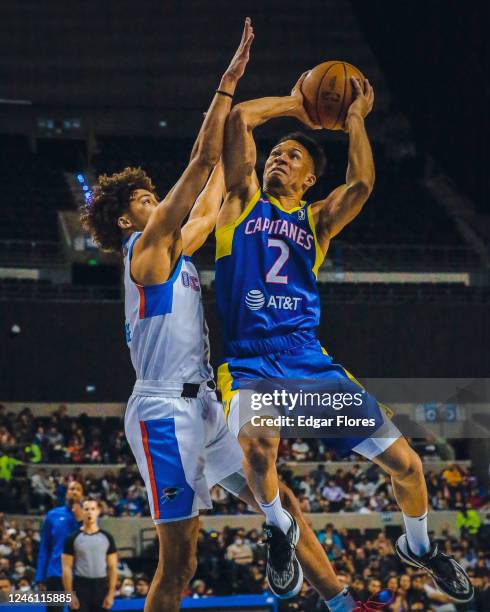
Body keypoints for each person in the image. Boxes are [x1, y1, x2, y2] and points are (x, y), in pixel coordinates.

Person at [215, 71, 474, 609]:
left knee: (409, 467)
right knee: (259, 449)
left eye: (292, 156)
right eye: (276, 153)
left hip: (309, 361)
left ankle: (420, 547)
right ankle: (278, 529)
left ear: (310, 178)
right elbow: (239, 117)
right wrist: (293, 105)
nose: (279, 158)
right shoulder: (240, 203)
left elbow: (361, 186)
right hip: (250, 363)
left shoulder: (317, 221)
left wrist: (355, 118)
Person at [80, 19, 254, 612]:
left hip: (201, 401)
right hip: (161, 411)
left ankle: (321, 586)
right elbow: (201, 161)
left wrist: (246, 130)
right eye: (144, 198)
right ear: (129, 221)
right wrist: (228, 84)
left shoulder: (176, 246)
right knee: (176, 564)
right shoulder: (146, 248)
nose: (156, 199)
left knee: (257, 503)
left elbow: (214, 197)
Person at [35, 481, 83, 612]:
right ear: (66, 493)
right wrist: (40, 576)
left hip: (79, 574)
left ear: (82, 495)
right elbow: (45, 547)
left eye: (78, 489)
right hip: (55, 572)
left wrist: (80, 521)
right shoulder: (52, 515)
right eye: (71, 488)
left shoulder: (88, 516)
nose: (74, 491)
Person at [62, 499, 117, 611]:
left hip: (101, 586)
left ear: (98, 511)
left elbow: (112, 567)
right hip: (80, 586)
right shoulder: (72, 538)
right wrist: (69, 594)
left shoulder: (107, 537)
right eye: (86, 509)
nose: (89, 512)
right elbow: (66, 568)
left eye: (93, 509)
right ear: (82, 512)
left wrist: (111, 594)